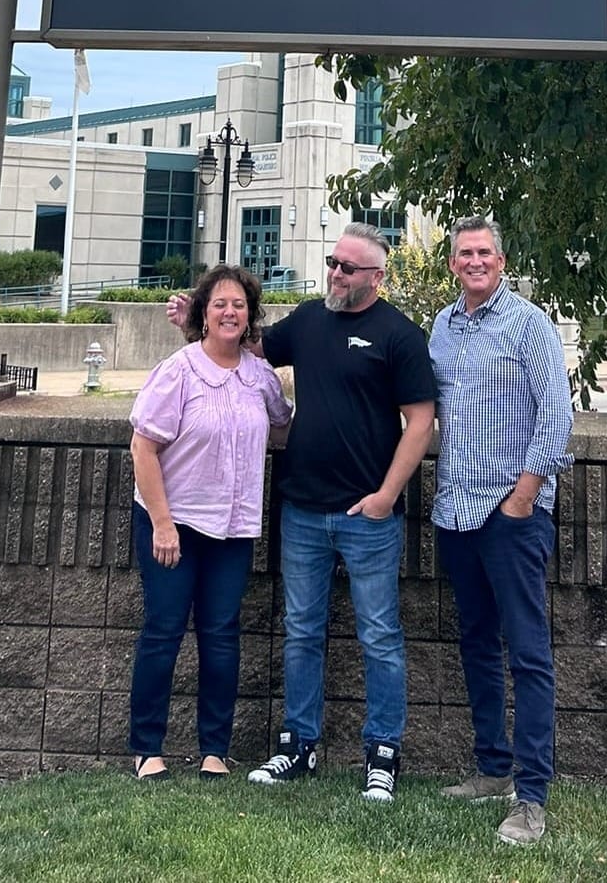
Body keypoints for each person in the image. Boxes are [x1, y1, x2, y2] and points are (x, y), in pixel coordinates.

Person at [168, 222, 436, 802]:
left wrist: (387, 496)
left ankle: (382, 753)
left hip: (369, 516)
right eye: (332, 262)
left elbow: (420, 421)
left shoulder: (400, 336)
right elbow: (249, 347)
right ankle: (298, 744)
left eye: (347, 267)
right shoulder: (311, 319)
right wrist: (198, 315)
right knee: (302, 632)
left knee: (381, 635)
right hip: (303, 512)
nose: (335, 274)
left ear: (376, 278)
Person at [430, 215, 574, 848]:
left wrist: (522, 499)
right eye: (465, 253)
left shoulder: (529, 324)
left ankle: (532, 794)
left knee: (528, 652)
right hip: (456, 512)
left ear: (502, 259)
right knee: (477, 643)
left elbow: (557, 418)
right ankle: (491, 768)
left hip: (510, 516)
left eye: (485, 251)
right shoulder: (442, 327)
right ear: (454, 262)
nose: (475, 261)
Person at [128, 265, 292, 780]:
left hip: (233, 528)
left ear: (250, 317)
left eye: (239, 305)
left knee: (221, 635)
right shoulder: (178, 370)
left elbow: (284, 422)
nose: (230, 312)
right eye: (219, 303)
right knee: (164, 630)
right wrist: (162, 522)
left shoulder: (258, 377)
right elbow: (143, 447)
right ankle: (146, 747)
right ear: (203, 312)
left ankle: (214, 750)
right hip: (172, 524)